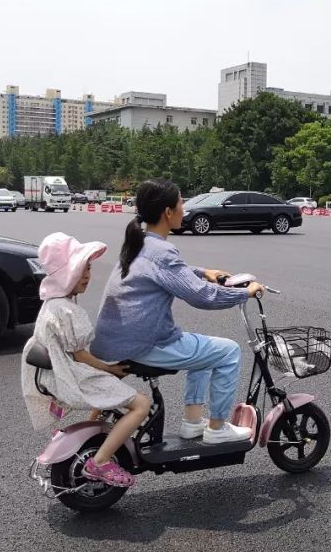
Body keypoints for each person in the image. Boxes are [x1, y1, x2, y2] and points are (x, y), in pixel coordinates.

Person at [92, 179, 264, 446]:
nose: (185, 207)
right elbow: (202, 296)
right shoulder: (162, 251)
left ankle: (193, 424)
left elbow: (170, 271)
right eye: (182, 202)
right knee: (228, 351)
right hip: (143, 344)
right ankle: (217, 428)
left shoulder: (139, 243)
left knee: (205, 349)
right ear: (168, 213)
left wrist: (203, 272)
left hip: (113, 342)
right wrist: (246, 292)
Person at [21, 232, 149, 489]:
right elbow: (80, 355)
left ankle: (94, 433)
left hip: (54, 376)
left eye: (88, 268)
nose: (88, 275)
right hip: (70, 376)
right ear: (66, 273)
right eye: (81, 269)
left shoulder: (51, 304)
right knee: (141, 405)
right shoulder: (68, 310)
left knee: (107, 389)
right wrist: (110, 369)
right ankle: (100, 462)